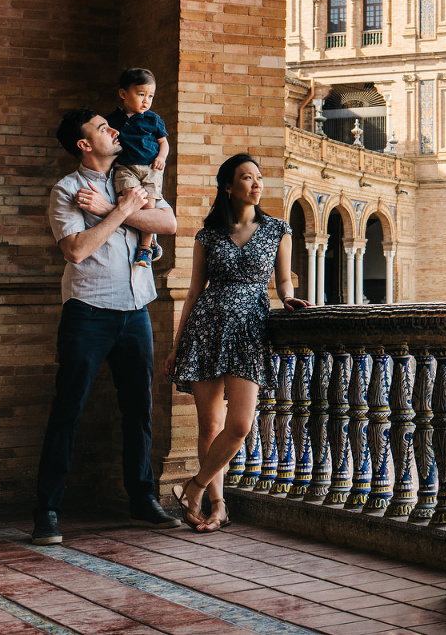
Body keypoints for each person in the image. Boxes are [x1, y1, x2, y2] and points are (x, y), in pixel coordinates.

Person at [35, 108, 181, 545]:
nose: (113, 130)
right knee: (68, 411)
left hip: (136, 311)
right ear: (84, 144)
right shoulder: (66, 190)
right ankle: (46, 511)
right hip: (89, 312)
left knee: (139, 410)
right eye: (102, 128)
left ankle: (142, 501)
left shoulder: (134, 176)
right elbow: (76, 250)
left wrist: (114, 207)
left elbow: (168, 223)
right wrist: (114, 213)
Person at [165, 153, 308, 531]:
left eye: (259, 177)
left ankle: (192, 488)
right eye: (247, 178)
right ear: (229, 186)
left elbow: (283, 282)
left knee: (240, 424)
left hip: (249, 332)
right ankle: (217, 506)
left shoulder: (279, 229)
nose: (257, 184)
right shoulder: (208, 235)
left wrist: (290, 297)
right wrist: (178, 346)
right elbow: (194, 292)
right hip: (206, 328)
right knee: (209, 427)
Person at [107, 68, 170, 267]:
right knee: (129, 200)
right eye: (141, 94)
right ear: (123, 94)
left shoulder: (153, 119)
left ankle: (145, 249)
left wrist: (162, 157)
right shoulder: (113, 120)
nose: (146, 100)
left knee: (149, 207)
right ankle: (147, 237)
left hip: (151, 168)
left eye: (150, 96)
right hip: (126, 167)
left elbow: (164, 142)